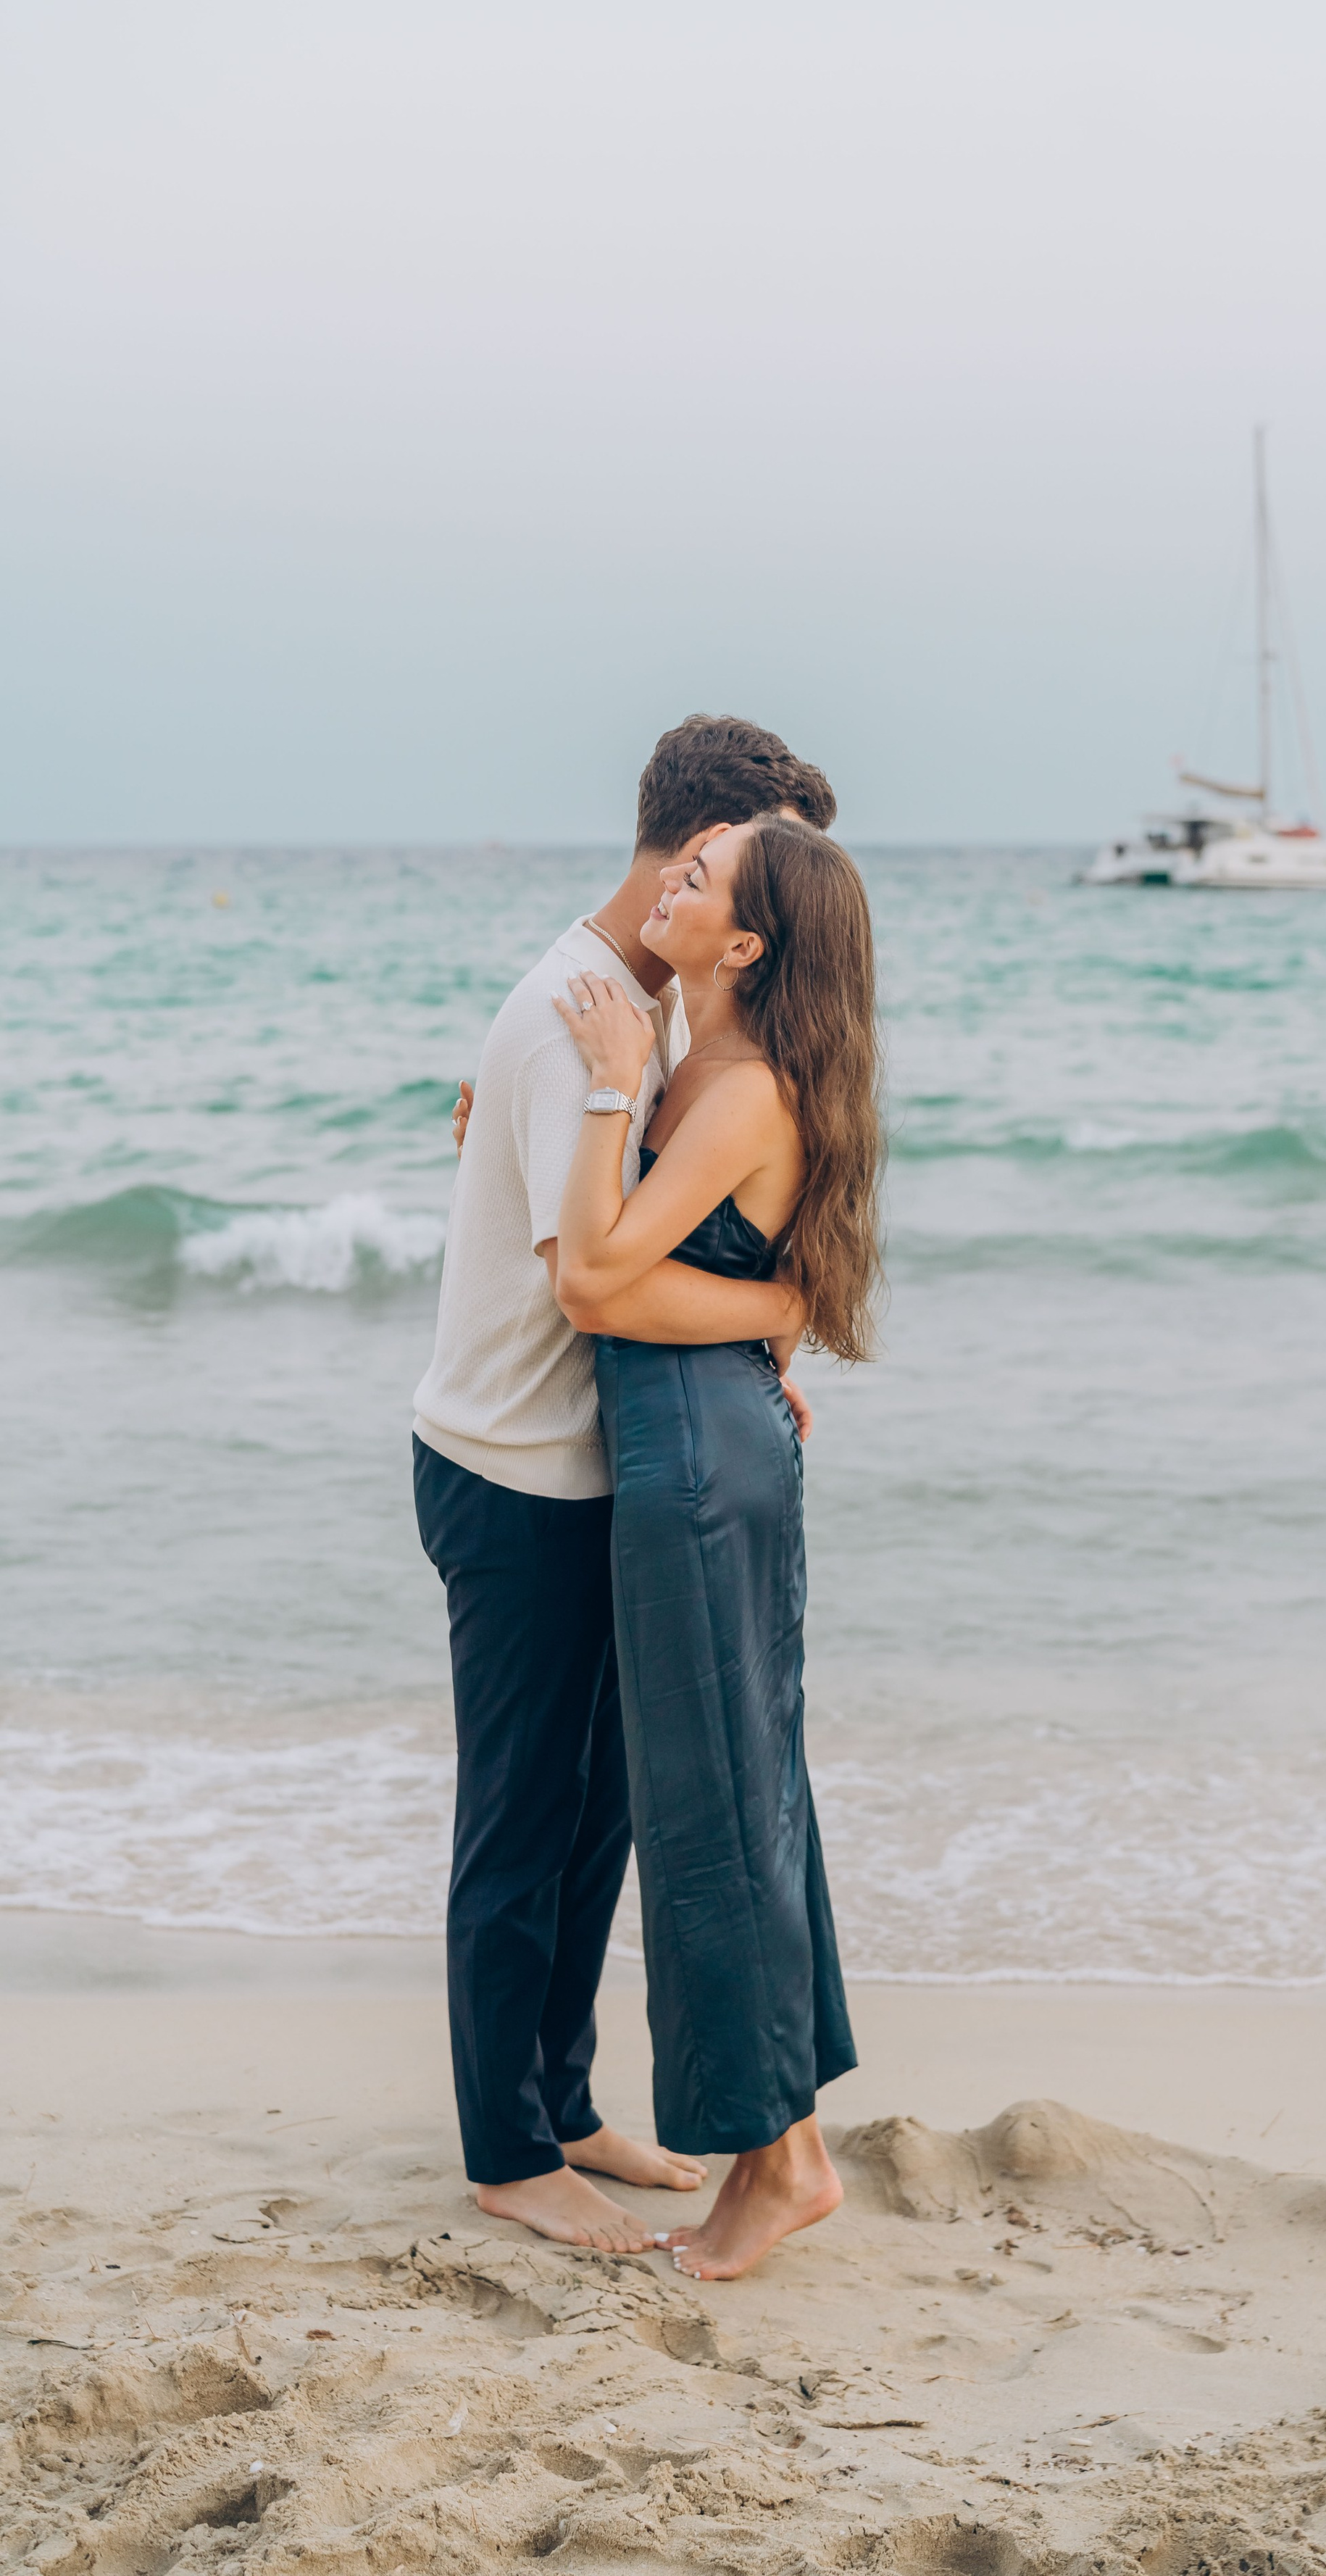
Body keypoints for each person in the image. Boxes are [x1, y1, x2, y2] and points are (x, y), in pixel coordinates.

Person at [412, 715, 835, 2256]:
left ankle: (569, 2100)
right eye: (762, 857)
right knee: (520, 1822)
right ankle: (505, 2150)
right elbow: (592, 1283)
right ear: (694, 853)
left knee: (599, 1819)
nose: (779, 895)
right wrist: (773, 1315)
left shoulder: (655, 1011)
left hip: (595, 1471)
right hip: (513, 1470)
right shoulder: (569, 1015)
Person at [547, 810, 882, 2278]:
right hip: (698, 1441)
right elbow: (669, 1269)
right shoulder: (707, 1056)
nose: (666, 882)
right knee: (736, 1792)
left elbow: (598, 1281)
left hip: (697, 1465)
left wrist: (611, 1099)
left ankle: (778, 2162)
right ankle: (785, 2140)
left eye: (700, 879)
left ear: (745, 944)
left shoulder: (733, 1086)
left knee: (712, 1814)